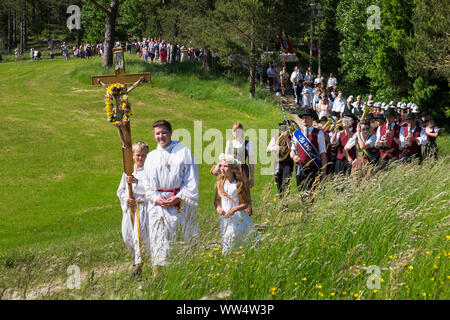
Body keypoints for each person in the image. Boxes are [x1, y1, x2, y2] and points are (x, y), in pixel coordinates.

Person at [142, 120, 200, 277]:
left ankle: (183, 275)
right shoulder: (151, 156)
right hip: (158, 206)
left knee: (179, 239)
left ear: (170, 133)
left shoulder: (183, 152)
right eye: (157, 134)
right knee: (159, 241)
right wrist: (156, 199)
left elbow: (191, 180)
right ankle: (158, 276)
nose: (161, 136)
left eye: (163, 133)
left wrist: (178, 197)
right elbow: (146, 184)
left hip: (178, 204)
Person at [117, 142, 151, 277]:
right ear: (132, 156)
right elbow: (121, 190)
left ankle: (138, 268)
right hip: (129, 209)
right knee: (127, 237)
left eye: (143, 155)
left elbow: (152, 189)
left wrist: (137, 182)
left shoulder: (149, 170)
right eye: (138, 155)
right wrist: (127, 199)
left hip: (142, 208)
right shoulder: (128, 171)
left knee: (139, 237)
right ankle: (136, 259)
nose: (140, 158)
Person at [214, 154, 256, 254]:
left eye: (225, 166)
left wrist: (234, 209)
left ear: (232, 168)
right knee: (227, 238)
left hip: (238, 217)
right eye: (221, 166)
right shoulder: (220, 183)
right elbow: (216, 200)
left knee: (234, 240)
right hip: (225, 217)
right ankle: (231, 259)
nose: (222, 169)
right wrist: (218, 208)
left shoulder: (238, 183)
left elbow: (246, 203)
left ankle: (229, 258)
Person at [290, 109, 327, 192]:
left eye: (307, 117)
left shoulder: (319, 133)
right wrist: (294, 157)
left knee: (311, 194)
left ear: (312, 119)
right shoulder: (296, 134)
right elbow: (292, 151)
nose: (304, 120)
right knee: (302, 193)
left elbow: (323, 153)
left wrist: (324, 172)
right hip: (300, 168)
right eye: (303, 118)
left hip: (313, 169)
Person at [266, 120, 294, 198]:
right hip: (277, 163)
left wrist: (287, 139)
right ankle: (282, 201)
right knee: (278, 184)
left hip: (287, 163)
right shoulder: (275, 138)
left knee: (286, 183)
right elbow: (267, 149)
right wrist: (275, 148)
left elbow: (291, 148)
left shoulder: (292, 138)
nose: (285, 130)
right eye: (283, 127)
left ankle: (285, 204)